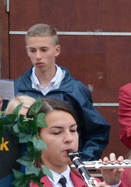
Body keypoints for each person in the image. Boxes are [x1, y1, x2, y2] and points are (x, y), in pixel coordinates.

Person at [14, 24, 111, 161]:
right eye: (32, 50)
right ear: (26, 51)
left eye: (44, 50)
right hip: (26, 170)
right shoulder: (16, 89)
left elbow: (97, 131)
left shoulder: (76, 89)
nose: (38, 56)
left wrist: (83, 161)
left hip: (66, 168)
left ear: (57, 50)